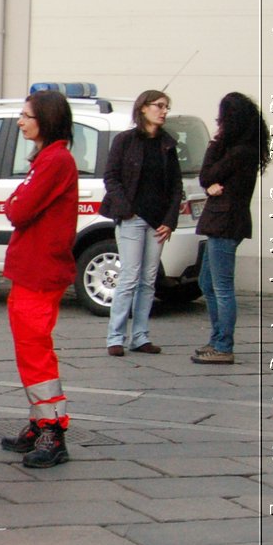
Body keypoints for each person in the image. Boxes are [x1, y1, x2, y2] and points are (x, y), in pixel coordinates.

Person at [0, 91, 79, 469]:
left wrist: (14, 203)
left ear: (44, 120)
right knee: (30, 349)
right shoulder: (50, 158)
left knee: (35, 352)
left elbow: (20, 208)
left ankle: (52, 429)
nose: (20, 121)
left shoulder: (54, 160)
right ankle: (39, 421)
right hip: (35, 267)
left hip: (39, 270)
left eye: (26, 115)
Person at [100, 90, 183, 356]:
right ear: (143, 108)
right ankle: (115, 337)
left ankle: (140, 336)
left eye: (166, 107)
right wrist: (125, 210)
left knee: (148, 280)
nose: (164, 111)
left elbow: (175, 186)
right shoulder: (126, 140)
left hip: (158, 223)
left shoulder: (168, 145)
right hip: (132, 219)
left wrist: (170, 221)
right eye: (159, 106)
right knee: (129, 277)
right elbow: (111, 177)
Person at [192, 92, 271, 365]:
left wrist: (216, 141)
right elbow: (209, 179)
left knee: (222, 286)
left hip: (226, 223)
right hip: (222, 222)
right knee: (207, 282)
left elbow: (207, 174)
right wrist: (210, 185)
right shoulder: (242, 150)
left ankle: (223, 345)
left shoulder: (239, 152)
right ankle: (217, 338)